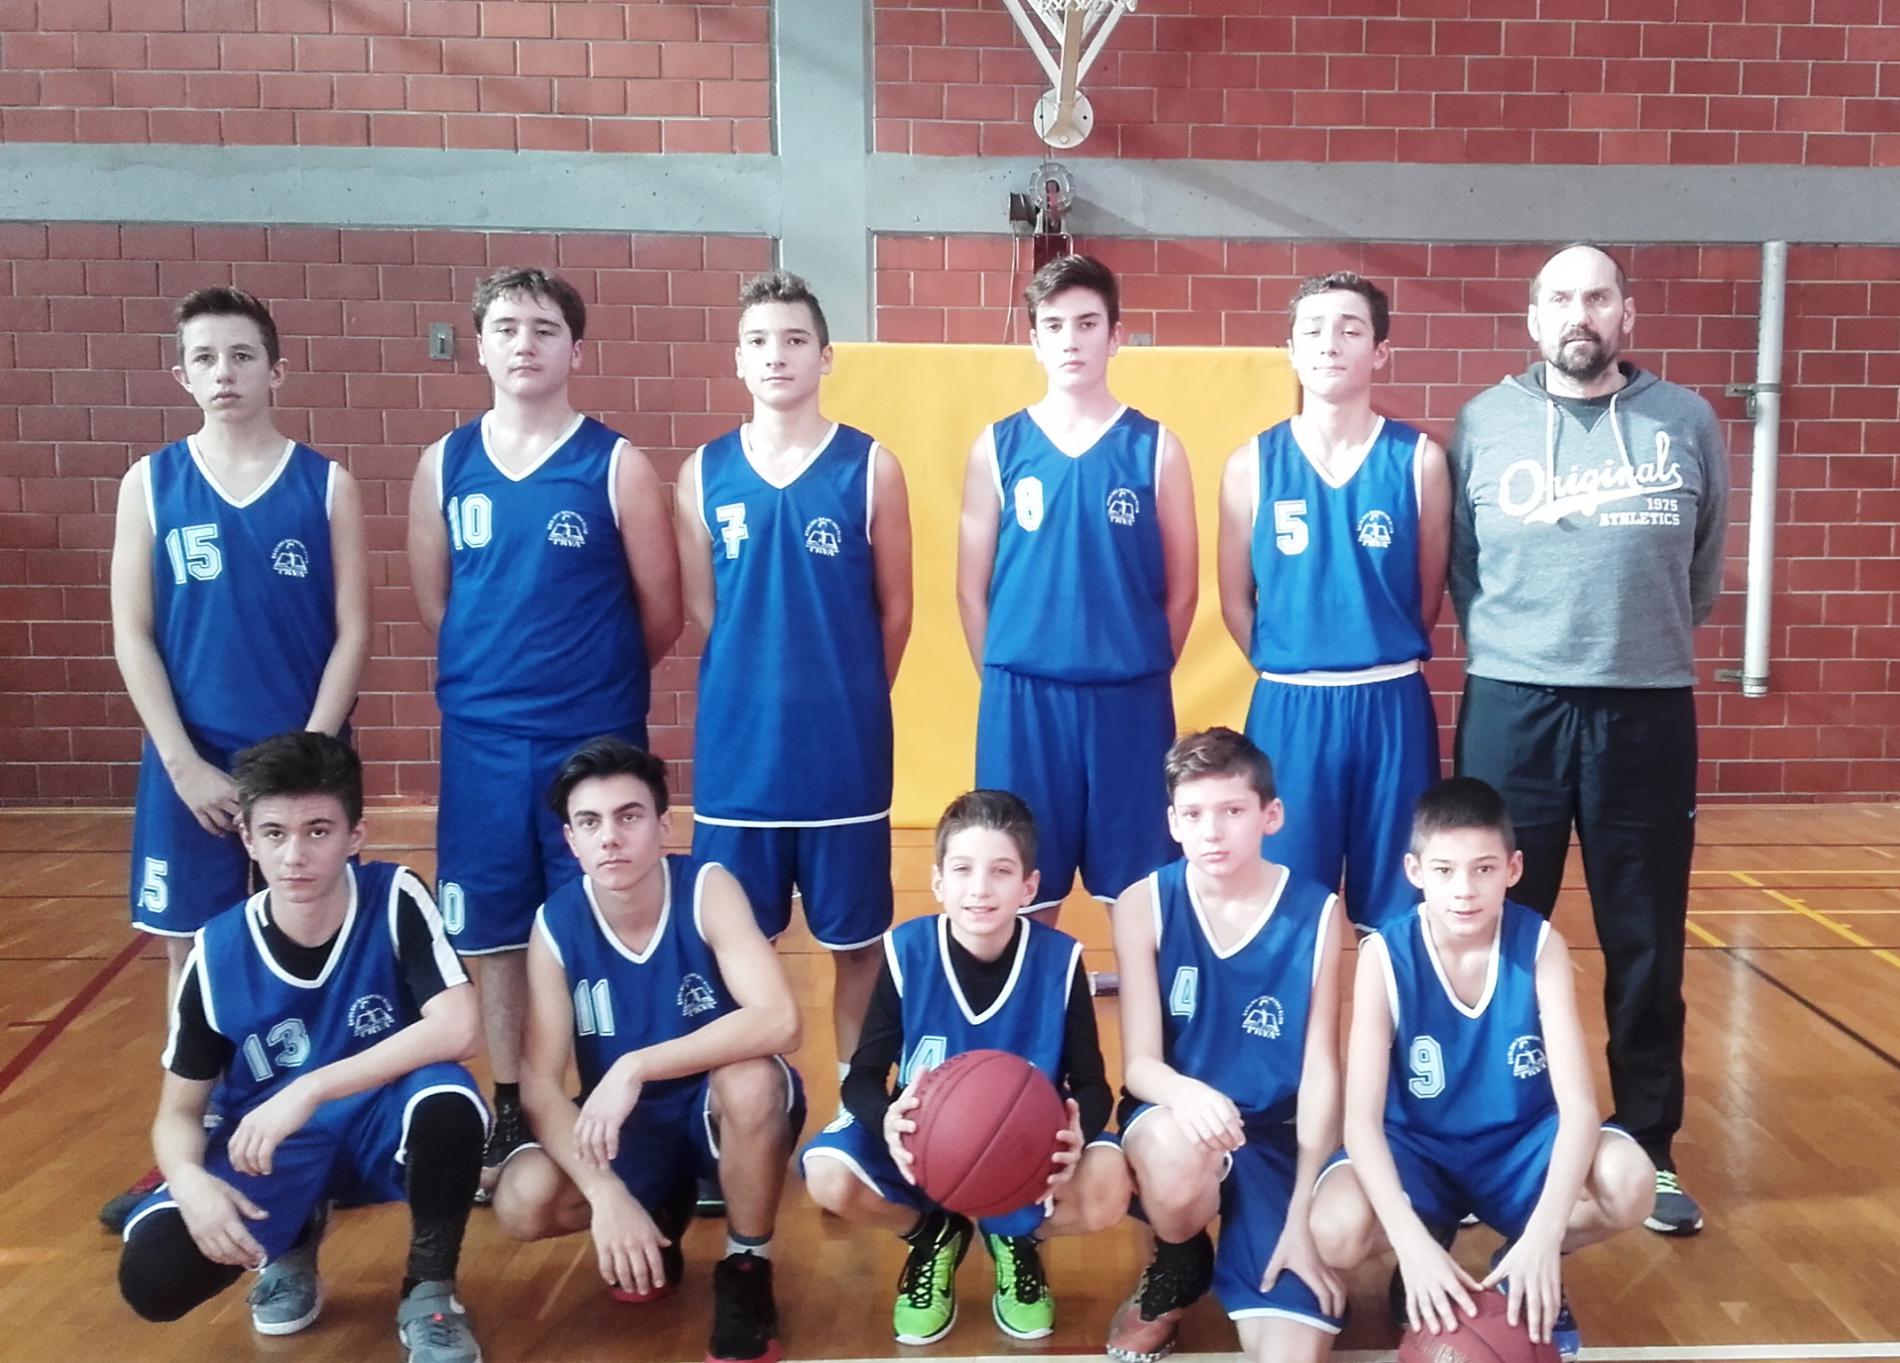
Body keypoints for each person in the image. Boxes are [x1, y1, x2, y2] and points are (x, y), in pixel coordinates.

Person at [1448, 243, 1729, 1235]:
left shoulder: (1686, 421)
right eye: (1561, 298)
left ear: (1626, 315)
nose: (1580, 313)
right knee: (1491, 926)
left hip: (1645, 710)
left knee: (1645, 938)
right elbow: (1463, 567)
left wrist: (1631, 644)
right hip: (1512, 704)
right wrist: (1526, 643)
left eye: (1598, 296)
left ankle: (1648, 1146)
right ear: (1534, 318)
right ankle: (1492, 1139)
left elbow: (1701, 573)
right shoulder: (1483, 422)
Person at [407, 267, 683, 1189]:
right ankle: (508, 1104)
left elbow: (660, 609)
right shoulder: (445, 463)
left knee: (603, 915)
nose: (523, 343)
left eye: (543, 328)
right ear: (480, 345)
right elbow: (439, 602)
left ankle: (622, 1099)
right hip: (483, 739)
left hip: (590, 740)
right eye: (506, 327)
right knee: (490, 930)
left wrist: (589, 685)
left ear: (576, 349)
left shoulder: (615, 463)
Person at [103, 286, 370, 1231]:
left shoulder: (326, 484)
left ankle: (312, 1135)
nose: (224, 373)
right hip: (194, 767)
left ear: (277, 370)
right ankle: (193, 1142)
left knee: (309, 941)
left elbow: (353, 630)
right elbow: (132, 632)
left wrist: (306, 761)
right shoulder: (151, 482)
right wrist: (181, 763)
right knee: (193, 958)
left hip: (300, 766)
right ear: (181, 374)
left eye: (242, 355)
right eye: (205, 358)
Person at [115, 732, 487, 1363]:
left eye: (318, 831)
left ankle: (430, 1291)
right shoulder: (216, 952)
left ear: (355, 835)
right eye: (275, 833)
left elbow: (460, 1028)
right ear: (248, 839)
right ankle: (293, 1234)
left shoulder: (394, 896)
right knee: (154, 1276)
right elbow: (177, 1112)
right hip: (274, 1147)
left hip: (380, 1120)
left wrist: (310, 1087)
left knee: (448, 1102)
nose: (295, 855)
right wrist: (189, 1181)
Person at [1307, 777, 1654, 1362]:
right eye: (1444, 871)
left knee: (1632, 1182)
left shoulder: (1540, 946)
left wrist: (1544, 1237)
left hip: (1519, 1147)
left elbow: (1579, 1109)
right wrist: (1410, 1245)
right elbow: (1361, 1122)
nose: (1464, 890)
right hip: (1419, 1150)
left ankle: (1523, 1265)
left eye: (1483, 869)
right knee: (1334, 1230)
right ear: (1415, 871)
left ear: (1513, 869)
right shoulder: (1384, 956)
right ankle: (1428, 1242)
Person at [491, 737, 803, 1363]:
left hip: (716, 1107)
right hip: (632, 1127)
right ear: (571, 840)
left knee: (750, 1081)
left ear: (663, 826)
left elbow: (780, 1020)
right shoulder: (556, 924)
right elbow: (540, 1084)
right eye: (589, 822)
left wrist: (636, 1065)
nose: (610, 837)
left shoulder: (707, 887)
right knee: (522, 1201)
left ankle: (746, 1265)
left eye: (628, 816)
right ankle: (656, 1205)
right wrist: (606, 1195)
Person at [675, 269, 912, 1071]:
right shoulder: (703, 472)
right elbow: (707, 610)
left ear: (826, 356)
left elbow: (896, 611)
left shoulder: (871, 467)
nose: (776, 355)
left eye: (794, 339)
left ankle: (858, 1099)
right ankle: (746, 1103)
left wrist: (848, 694)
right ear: (737, 359)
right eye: (758, 341)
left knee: (857, 943)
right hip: (740, 759)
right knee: (735, 941)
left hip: (843, 756)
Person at [802, 790, 1130, 1345]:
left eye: (1001, 871)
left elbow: (1093, 1085)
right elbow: (863, 1076)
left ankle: (1015, 1237)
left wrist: (1081, 1131)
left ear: (1029, 886)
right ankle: (933, 1233)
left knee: (1110, 1184)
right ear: (938, 882)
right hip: (922, 1152)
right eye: (962, 870)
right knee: (827, 1175)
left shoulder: (1061, 961)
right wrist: (885, 1118)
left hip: (1024, 1157)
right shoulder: (907, 952)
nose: (980, 888)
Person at [956, 254, 1197, 921]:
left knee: (1140, 897)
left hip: (1129, 699)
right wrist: (1005, 678)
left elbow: (1183, 591)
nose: (1071, 339)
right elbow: (971, 590)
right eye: (1055, 325)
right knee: (1022, 889)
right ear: (1033, 339)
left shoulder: (1157, 447)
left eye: (1088, 323)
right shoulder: (997, 447)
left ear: (1115, 336)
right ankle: (1033, 997)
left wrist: (1137, 665)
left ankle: (1142, 1000)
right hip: (1023, 701)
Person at [1105, 728, 1347, 1363]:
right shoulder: (1143, 904)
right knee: (1177, 1155)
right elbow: (1140, 1065)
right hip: (1176, 1118)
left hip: (1275, 1136)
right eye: (1193, 815)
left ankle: (1269, 1228)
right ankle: (1180, 1258)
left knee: (1293, 1354)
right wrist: (1188, 1095)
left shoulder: (1320, 913)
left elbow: (1322, 1071)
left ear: (1271, 815)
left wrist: (1301, 1213)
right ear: (1173, 823)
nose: (1212, 832)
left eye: (1232, 811)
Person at [1216, 273, 1449, 932]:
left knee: (1400, 907)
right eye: (1313, 330)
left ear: (1380, 351)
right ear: (1291, 351)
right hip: (1290, 705)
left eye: (1351, 329)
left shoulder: (1420, 461)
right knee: (1287, 905)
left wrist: (1372, 646)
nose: (1330, 343)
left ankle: (1386, 1008)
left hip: (1390, 702)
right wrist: (1294, 660)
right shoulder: (1251, 463)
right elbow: (1235, 599)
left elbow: (1427, 594)